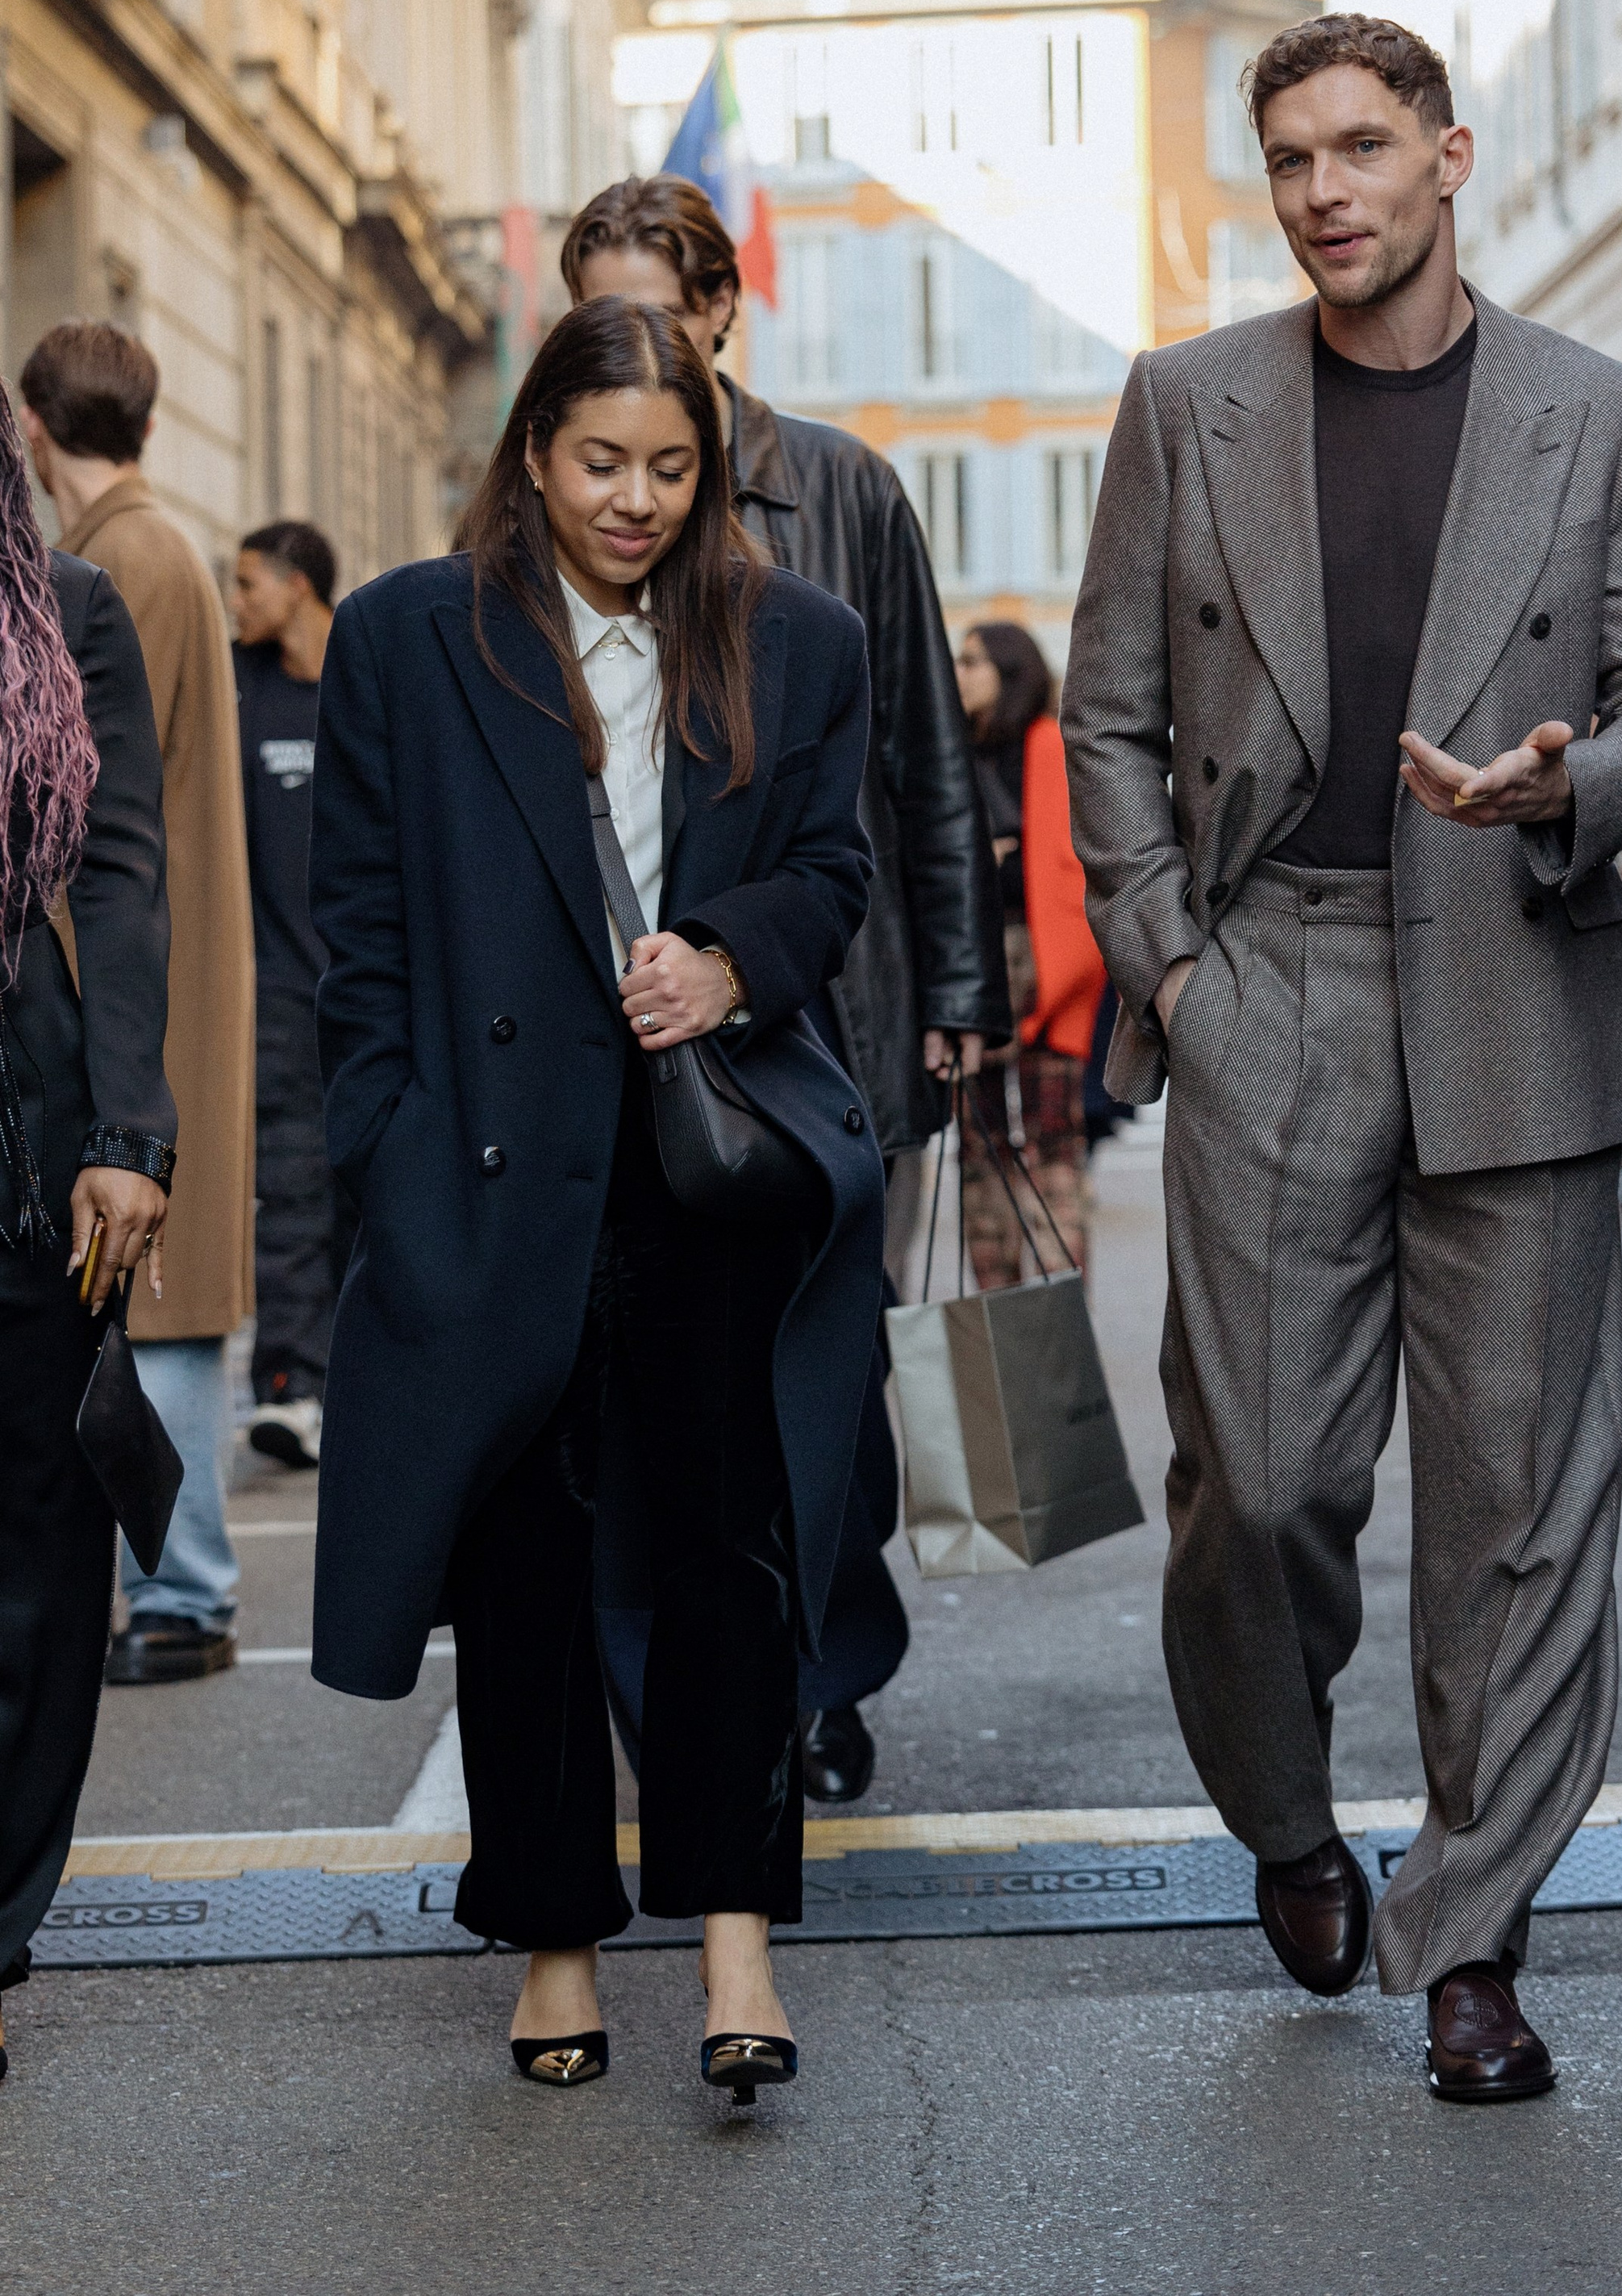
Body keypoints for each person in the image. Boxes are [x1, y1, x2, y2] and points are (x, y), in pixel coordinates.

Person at [1062, 11, 1622, 2102]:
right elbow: (1101, 720)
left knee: (1521, 1507)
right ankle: (1281, 1813)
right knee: (1256, 1488)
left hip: (1517, 962)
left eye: (1362, 147)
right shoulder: (1186, 407)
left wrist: (1564, 789)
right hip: (1278, 979)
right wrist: (1171, 971)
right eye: (1289, 160)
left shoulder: (1594, 411)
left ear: (1448, 158)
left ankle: (1470, 1941)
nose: (1325, 189)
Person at [309, 294, 882, 2099]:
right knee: (525, 1556)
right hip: (485, 1158)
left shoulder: (795, 637)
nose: (632, 501)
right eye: (595, 463)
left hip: (707, 1157)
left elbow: (831, 872)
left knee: (727, 1545)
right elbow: (358, 938)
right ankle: (553, 1935)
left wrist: (726, 957)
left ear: (710, 467)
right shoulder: (408, 636)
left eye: (668, 466)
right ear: (532, 454)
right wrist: (386, 1151)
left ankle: (731, 1940)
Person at [563, 175, 1010, 1804]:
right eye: (594, 321)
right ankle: (694, 1670)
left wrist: (965, 980)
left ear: (722, 311)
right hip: (629, 1017)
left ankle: (825, 1664)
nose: (626, 352)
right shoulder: (562, 504)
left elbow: (925, 764)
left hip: (836, 1003)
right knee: (651, 1366)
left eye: (655, 317)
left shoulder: (841, 489)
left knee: (823, 1358)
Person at [19, 322, 255, 1686]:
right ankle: (178, 1582)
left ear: (38, 431)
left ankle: (183, 1587)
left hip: (139, 976)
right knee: (152, 1296)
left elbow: (99, 814)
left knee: (148, 1296)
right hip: (169, 959)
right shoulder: (159, 543)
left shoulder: (115, 559)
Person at [0, 381, 175, 2083]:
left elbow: (118, 869)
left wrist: (130, 1136)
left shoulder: (66, 605)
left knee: (37, 1543)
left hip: (24, 1121)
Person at [231, 520, 345, 1464]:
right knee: (294, 1190)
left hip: (364, 987)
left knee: (372, 1189)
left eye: (246, 585)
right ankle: (289, 1384)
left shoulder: (365, 677)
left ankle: (348, 1374)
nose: (238, 604)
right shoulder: (242, 686)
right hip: (274, 996)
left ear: (297, 585)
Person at [953, 620, 1102, 1287]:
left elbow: (1074, 866)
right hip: (973, 969)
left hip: (1041, 965)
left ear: (1009, 671)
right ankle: (1001, 1324)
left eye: (971, 661)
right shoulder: (953, 751)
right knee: (980, 1145)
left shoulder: (1050, 748)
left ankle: (1057, 1324)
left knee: (1051, 1141)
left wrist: (989, 864)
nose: (957, 673)